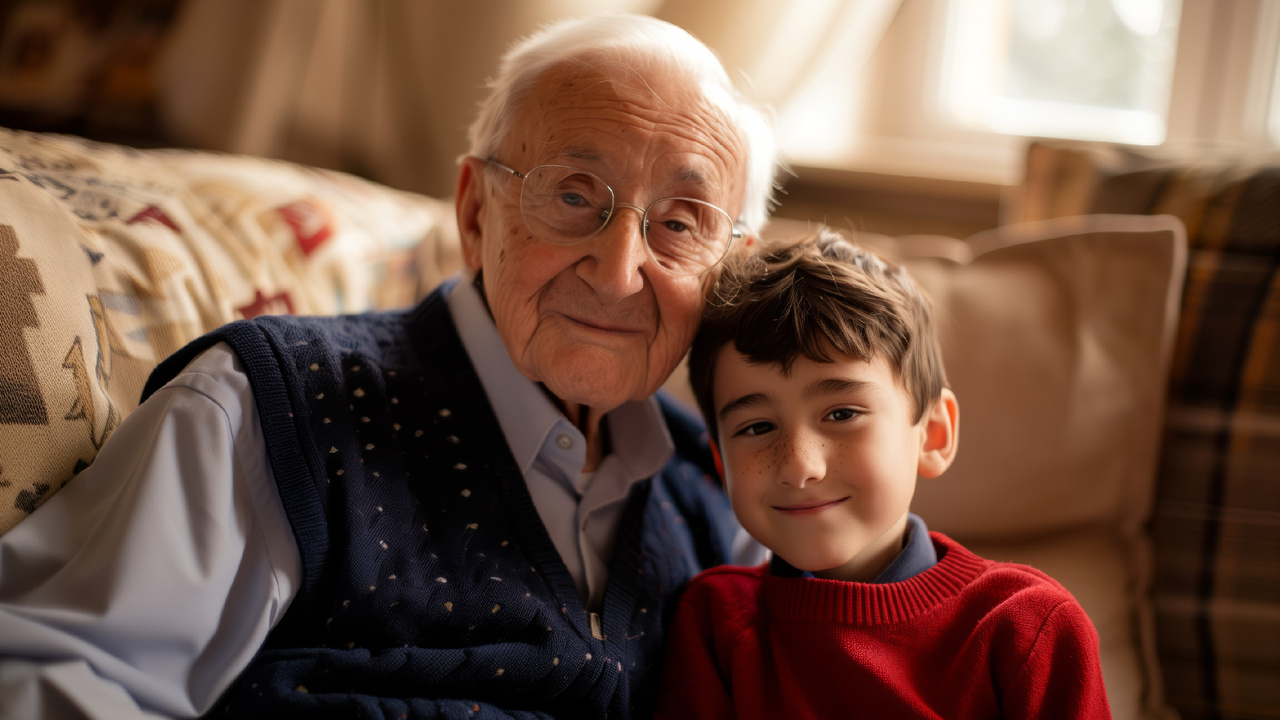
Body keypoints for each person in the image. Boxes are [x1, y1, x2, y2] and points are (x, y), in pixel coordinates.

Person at [0, 13, 776, 720]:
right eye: (574, 196)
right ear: (476, 212)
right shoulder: (272, 409)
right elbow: (63, 682)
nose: (617, 270)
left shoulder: (721, 490)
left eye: (680, 223)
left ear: (725, 273)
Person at [654, 229, 1112, 720]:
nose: (799, 465)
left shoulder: (1027, 627)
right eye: (757, 426)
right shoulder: (714, 623)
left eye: (842, 414)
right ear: (721, 464)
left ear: (932, 435)